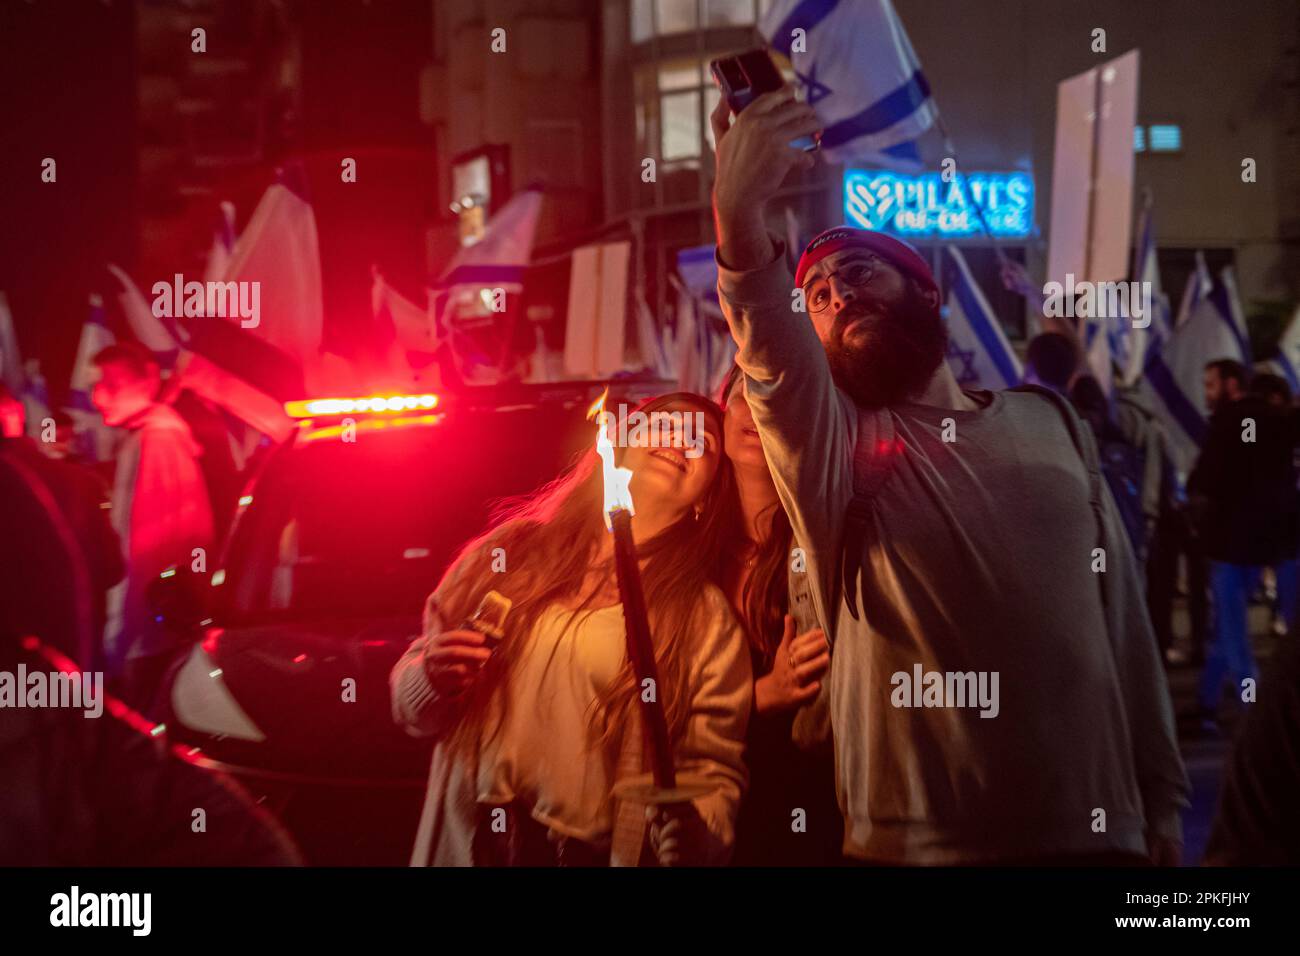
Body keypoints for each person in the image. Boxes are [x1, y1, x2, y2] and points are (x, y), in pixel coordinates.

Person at [709, 87, 1188, 864]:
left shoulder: (1051, 421)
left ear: (927, 293)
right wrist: (738, 210)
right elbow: (769, 350)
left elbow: (1123, 621)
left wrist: (1160, 800)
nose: (837, 294)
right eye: (818, 298)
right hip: (918, 850)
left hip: (1101, 837)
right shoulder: (833, 447)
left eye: (859, 271)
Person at [391, 392, 752, 866]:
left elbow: (712, 771)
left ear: (708, 494)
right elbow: (412, 706)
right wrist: (431, 679)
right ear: (619, 448)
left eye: (700, 440)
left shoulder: (705, 621)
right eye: (662, 424)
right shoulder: (508, 553)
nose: (677, 440)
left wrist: (698, 835)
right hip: (473, 845)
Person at [718, 364, 841, 865]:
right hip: (710, 804)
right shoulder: (686, 549)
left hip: (804, 804)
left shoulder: (822, 552)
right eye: (743, 395)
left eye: (773, 397)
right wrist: (759, 696)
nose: (756, 409)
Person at [90, 343, 213, 695]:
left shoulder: (152, 443)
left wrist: (119, 638)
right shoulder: (154, 437)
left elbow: (141, 548)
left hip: (146, 635)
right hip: (159, 628)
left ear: (146, 384)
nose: (98, 398)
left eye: (112, 387)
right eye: (96, 387)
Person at [1187, 363, 1299, 733]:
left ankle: (1250, 711)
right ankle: (1211, 703)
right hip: (1266, 545)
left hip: (1230, 547)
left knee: (1234, 637)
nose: (1207, 392)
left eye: (1211, 384)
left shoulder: (1229, 422)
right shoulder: (1281, 423)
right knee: (1229, 631)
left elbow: (1204, 481)